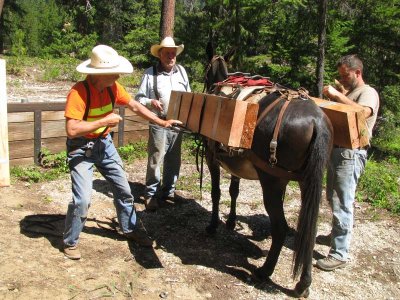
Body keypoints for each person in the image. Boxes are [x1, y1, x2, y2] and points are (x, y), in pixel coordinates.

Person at [63, 44, 182, 260]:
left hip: (104, 144)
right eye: (114, 72)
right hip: (81, 148)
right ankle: (70, 242)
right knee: (82, 200)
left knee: (124, 190)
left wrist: (161, 122)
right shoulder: (78, 93)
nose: (119, 75)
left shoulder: (113, 87)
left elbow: (135, 106)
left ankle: (131, 229)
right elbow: (71, 130)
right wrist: (105, 120)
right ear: (100, 74)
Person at [316, 54, 380, 271]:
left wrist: (336, 94)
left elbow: (362, 112)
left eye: (345, 76)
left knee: (342, 202)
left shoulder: (368, 92)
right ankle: (338, 235)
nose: (341, 80)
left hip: (351, 154)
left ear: (358, 73)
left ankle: (339, 253)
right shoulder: (352, 93)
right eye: (340, 76)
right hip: (338, 152)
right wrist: (339, 95)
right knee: (332, 197)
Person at [135, 36, 191, 211]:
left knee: (174, 158)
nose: (171, 57)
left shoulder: (181, 71)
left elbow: (188, 94)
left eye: (173, 54)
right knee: (156, 157)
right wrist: (150, 102)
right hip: (158, 122)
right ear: (160, 54)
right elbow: (138, 98)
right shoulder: (150, 73)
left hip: (177, 123)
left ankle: (168, 192)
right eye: (167, 53)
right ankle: (151, 194)